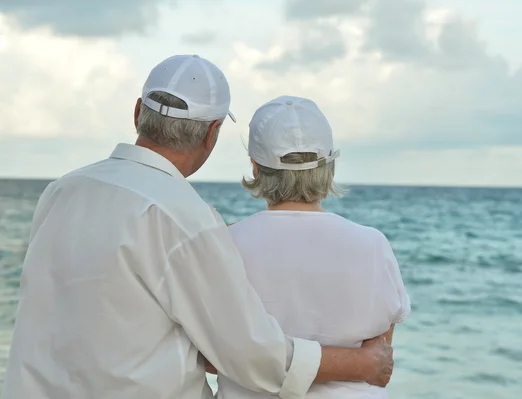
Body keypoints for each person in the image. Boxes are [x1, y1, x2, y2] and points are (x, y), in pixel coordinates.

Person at [2, 56, 394, 399]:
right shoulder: (184, 216)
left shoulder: (61, 191)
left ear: (139, 112)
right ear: (212, 133)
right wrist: (362, 364)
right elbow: (251, 354)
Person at [210, 96, 411, 399]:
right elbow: (380, 362)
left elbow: (214, 355)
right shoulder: (372, 244)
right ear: (330, 165)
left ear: (256, 167)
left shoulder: (225, 244)